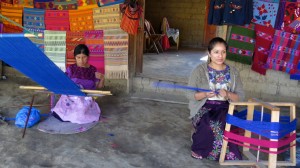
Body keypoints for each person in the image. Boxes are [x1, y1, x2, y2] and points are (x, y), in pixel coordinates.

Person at [186, 37, 245, 161]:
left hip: (225, 107)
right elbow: (189, 94)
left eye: (223, 52)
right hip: (204, 106)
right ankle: (199, 148)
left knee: (227, 122)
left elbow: (241, 97)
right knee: (209, 123)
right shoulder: (199, 70)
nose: (220, 56)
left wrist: (228, 94)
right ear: (209, 53)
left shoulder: (233, 72)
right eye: (216, 52)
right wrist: (204, 95)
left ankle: (225, 153)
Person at [51, 44, 105, 124]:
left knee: (81, 110)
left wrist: (102, 78)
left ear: (88, 57)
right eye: (78, 57)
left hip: (85, 97)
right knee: (66, 106)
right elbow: (64, 83)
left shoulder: (93, 70)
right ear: (75, 57)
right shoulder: (71, 69)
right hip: (71, 96)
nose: (81, 60)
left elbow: (98, 87)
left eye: (84, 57)